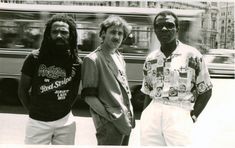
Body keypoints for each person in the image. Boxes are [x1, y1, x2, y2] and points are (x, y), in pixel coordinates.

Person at [140, 10, 213, 146]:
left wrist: (193, 115)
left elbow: (206, 90)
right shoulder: (151, 59)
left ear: (177, 29)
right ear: (155, 30)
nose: (164, 29)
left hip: (179, 111)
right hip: (153, 112)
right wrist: (146, 115)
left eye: (169, 25)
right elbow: (147, 92)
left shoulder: (192, 55)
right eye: (159, 26)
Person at [18, 14, 82, 145]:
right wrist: (33, 112)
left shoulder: (76, 62)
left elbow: (74, 92)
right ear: (48, 34)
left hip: (66, 122)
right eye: (55, 32)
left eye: (64, 32)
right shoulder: (34, 58)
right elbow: (22, 90)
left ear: (71, 35)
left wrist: (63, 109)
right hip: (37, 122)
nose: (59, 35)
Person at [81, 15, 135, 145]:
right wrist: (113, 119)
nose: (116, 37)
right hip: (109, 123)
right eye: (112, 32)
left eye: (120, 33)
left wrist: (125, 118)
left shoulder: (119, 57)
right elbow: (89, 98)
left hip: (125, 120)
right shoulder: (92, 59)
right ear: (103, 34)